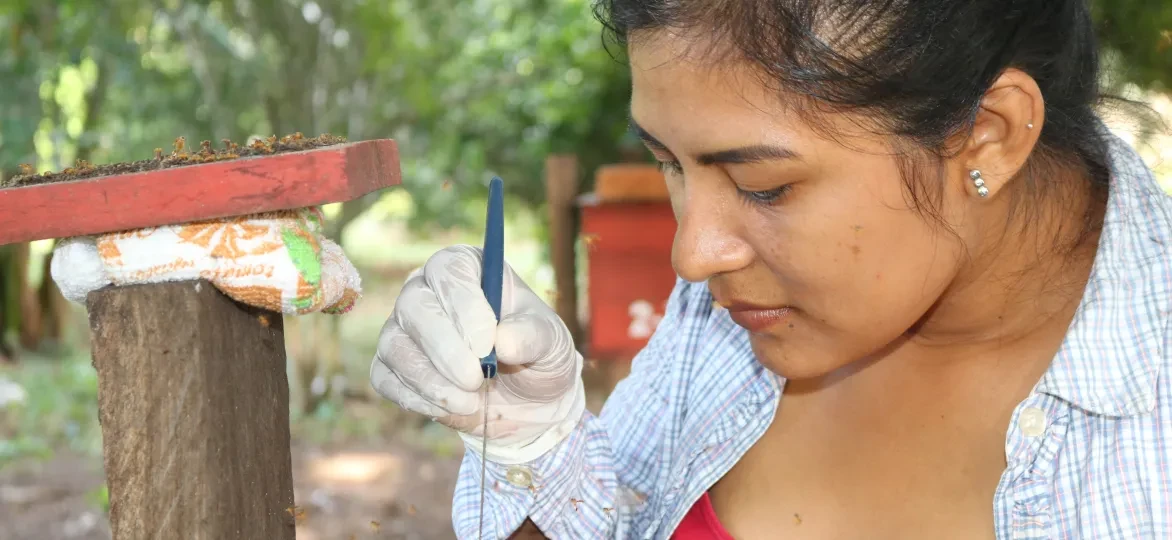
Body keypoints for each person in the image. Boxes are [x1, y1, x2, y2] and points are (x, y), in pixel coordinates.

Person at [370, 0, 1172, 538]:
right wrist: (532, 449)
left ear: (990, 135)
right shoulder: (737, 310)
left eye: (766, 187)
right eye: (671, 166)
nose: (693, 256)